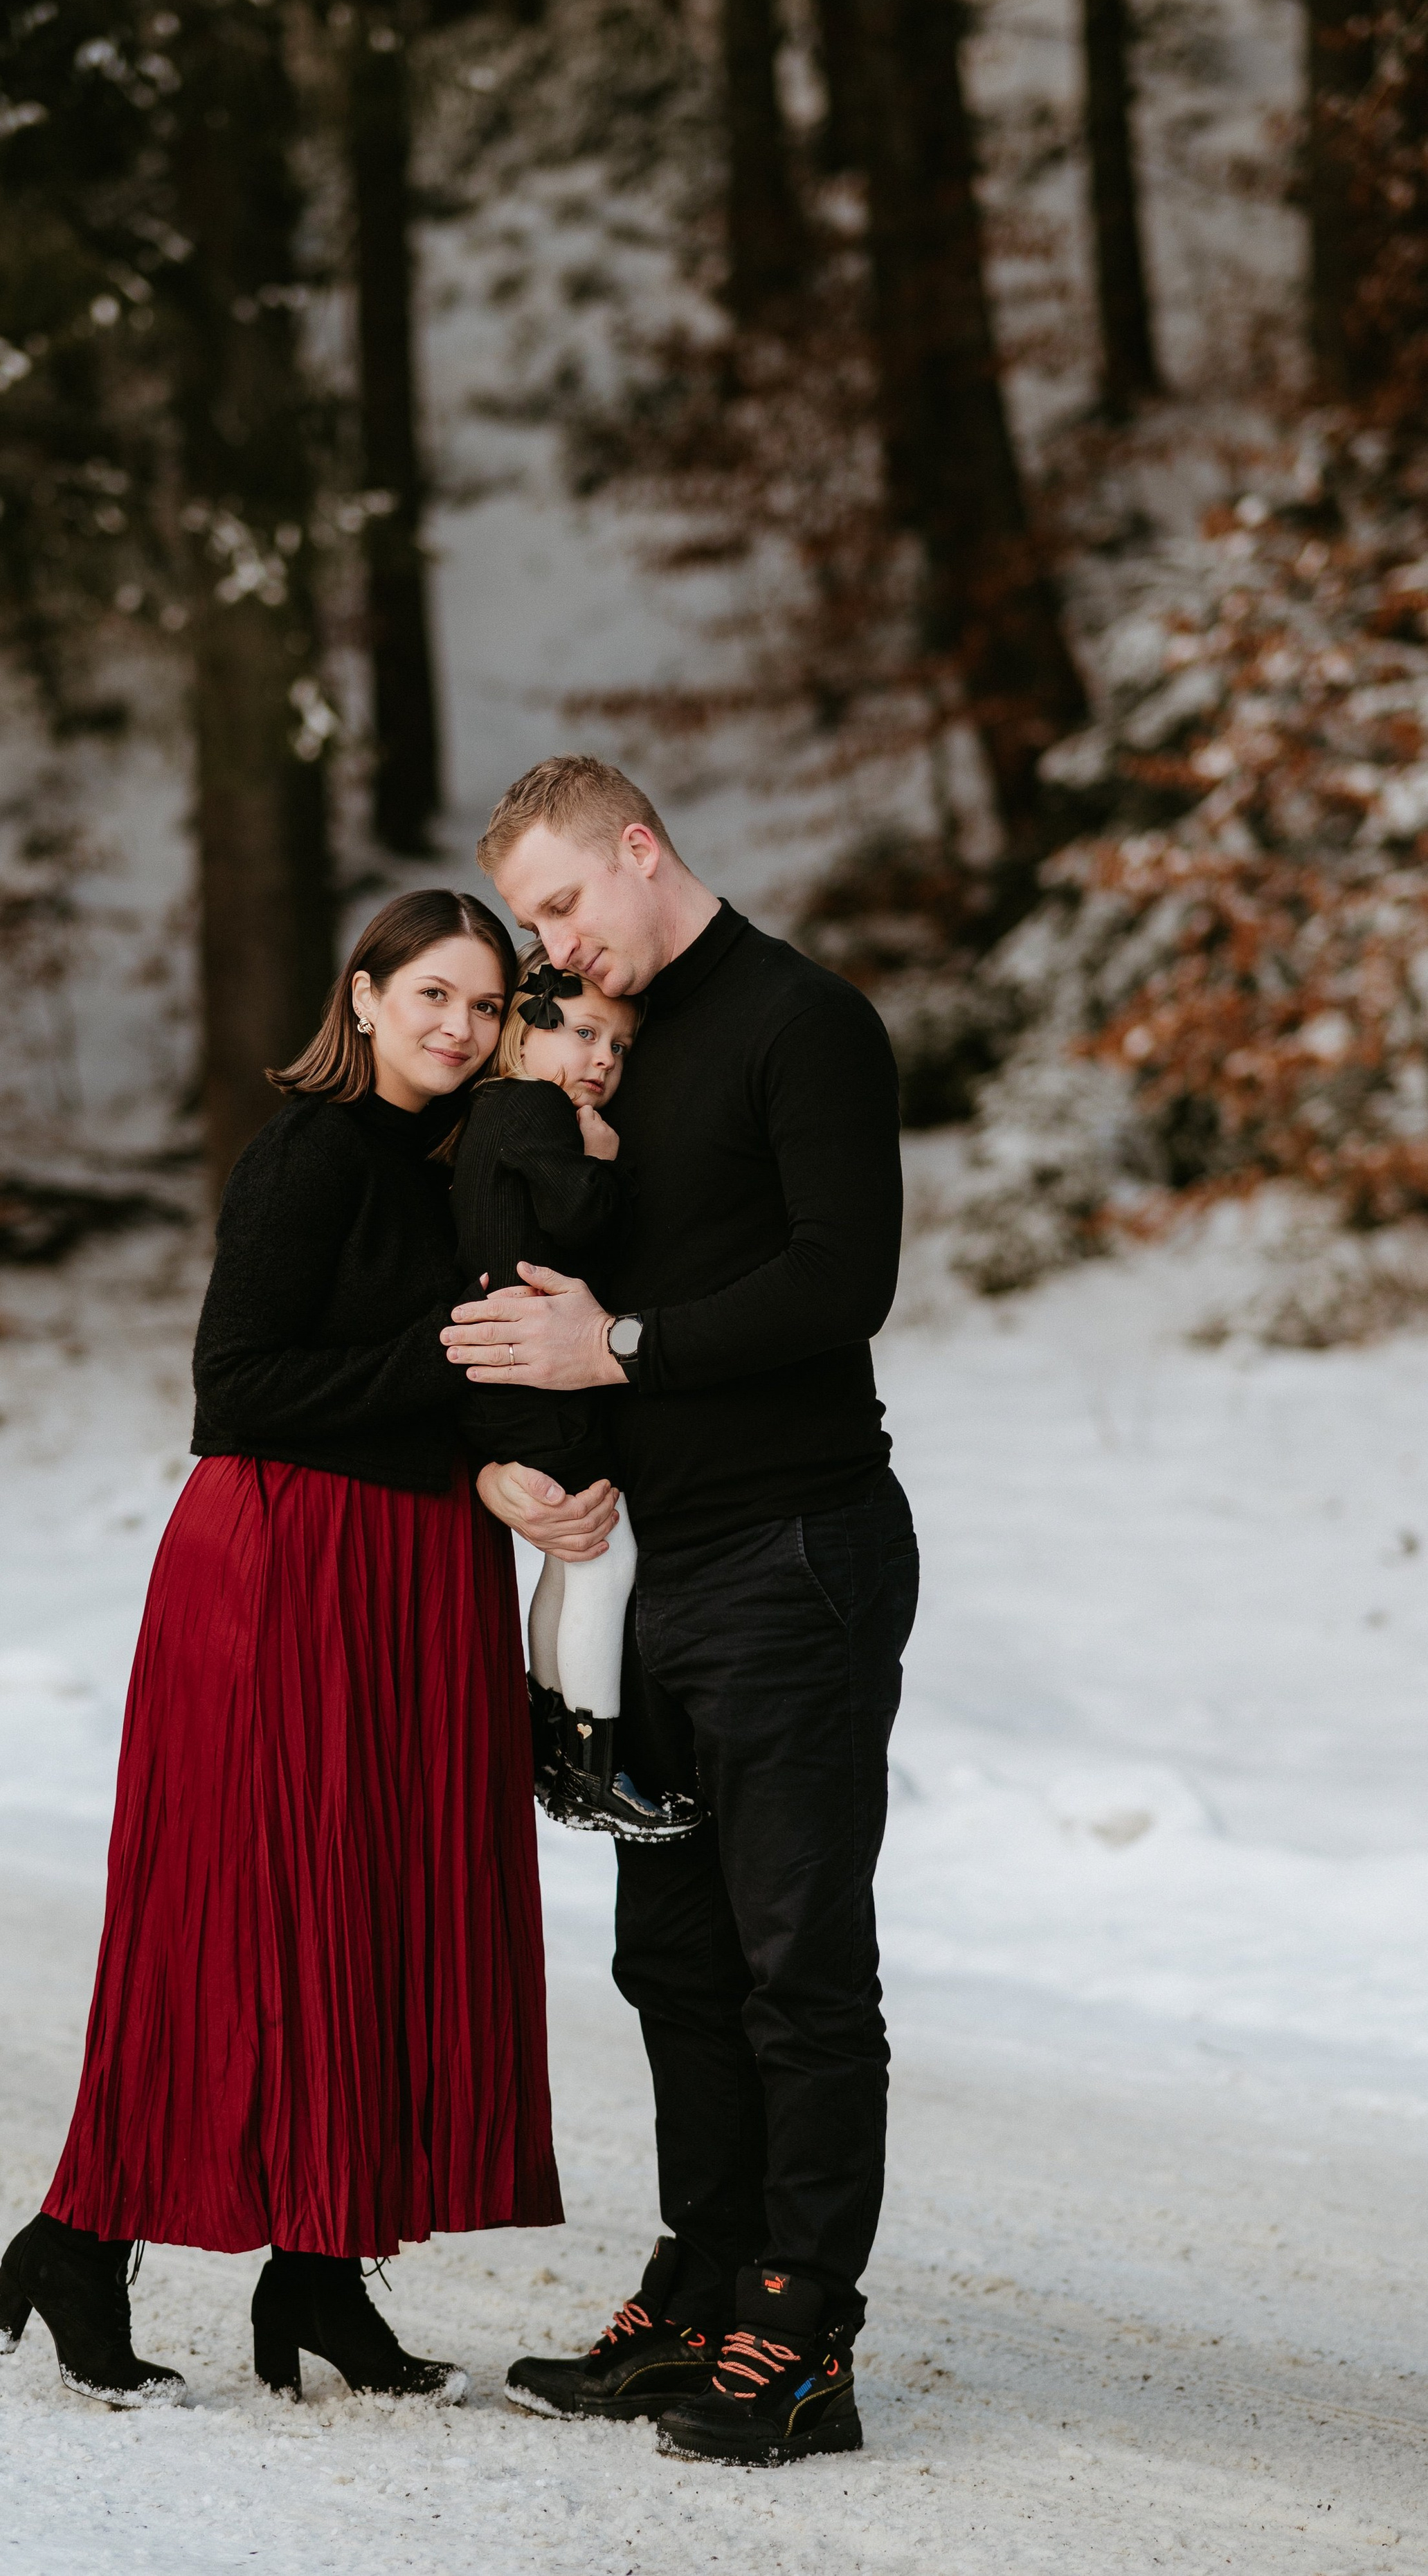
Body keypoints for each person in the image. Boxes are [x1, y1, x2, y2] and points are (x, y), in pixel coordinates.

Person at [0, 889, 565, 2411]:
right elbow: (235, 1380)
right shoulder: (305, 1153)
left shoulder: (455, 1163)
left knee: (377, 1914)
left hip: (417, 1563)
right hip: (288, 1556)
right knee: (227, 1920)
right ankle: (78, 2242)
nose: (455, 1025)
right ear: (359, 997)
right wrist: (440, 1358)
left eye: (483, 1005)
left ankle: (317, 2277)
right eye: (429, 992)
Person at [446, 756, 917, 2470]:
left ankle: (800, 2330)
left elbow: (836, 1273)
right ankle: (704, 2280)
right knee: (674, 1958)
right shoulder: (594, 1047)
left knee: (797, 1959)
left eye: (563, 903)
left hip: (793, 1550)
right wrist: (517, 1460)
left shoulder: (804, 1021)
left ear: (640, 851)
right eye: (528, 923)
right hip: (643, 1563)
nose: (551, 948)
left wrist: (619, 1348)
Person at [449, 944, 698, 1841]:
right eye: (586, 1033)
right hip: (539, 1384)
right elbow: (580, 1222)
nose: (603, 1060)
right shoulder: (536, 1111)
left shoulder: (494, 1112)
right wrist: (603, 1160)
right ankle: (593, 1767)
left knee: (569, 1557)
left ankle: (556, 1748)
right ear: (526, 1028)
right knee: (603, 1557)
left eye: (620, 1047)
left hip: (512, 1380)